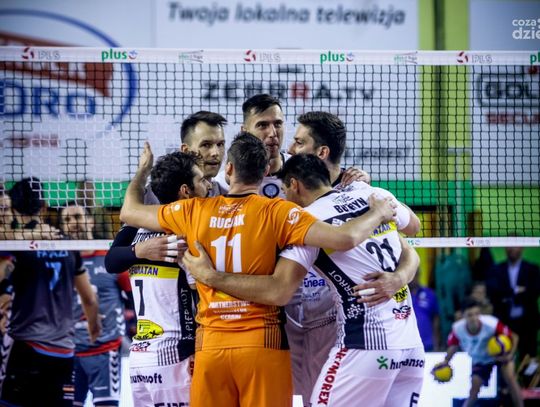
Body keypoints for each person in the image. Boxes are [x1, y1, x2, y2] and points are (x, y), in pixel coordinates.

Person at [119, 134, 397, 407]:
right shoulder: (280, 212)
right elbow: (345, 238)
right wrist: (378, 214)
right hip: (263, 345)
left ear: (229, 169)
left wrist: (142, 172)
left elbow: (129, 212)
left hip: (211, 347)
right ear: (265, 173)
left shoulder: (191, 210)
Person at [182, 153, 422, 406]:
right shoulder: (373, 195)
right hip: (411, 347)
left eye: (285, 189)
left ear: (294, 185)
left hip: (366, 343)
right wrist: (399, 277)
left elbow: (278, 291)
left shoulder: (307, 222)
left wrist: (210, 276)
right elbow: (412, 232)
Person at [284, 111, 421, 404]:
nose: (290, 149)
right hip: (407, 343)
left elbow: (408, 243)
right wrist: (378, 212)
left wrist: (398, 277)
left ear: (321, 153)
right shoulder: (370, 193)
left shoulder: (311, 214)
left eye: (298, 142)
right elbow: (412, 226)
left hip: (363, 339)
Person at [105, 151, 211, 406]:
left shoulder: (138, 226)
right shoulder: (188, 232)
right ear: (185, 191)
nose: (208, 185)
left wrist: (142, 172)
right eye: (202, 180)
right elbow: (202, 301)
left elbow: (111, 260)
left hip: (140, 358)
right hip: (176, 357)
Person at [0, 178, 100, 407]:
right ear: (44, 207)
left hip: (26, 347)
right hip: (63, 351)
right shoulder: (67, 245)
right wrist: (94, 328)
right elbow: (89, 299)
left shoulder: (13, 247)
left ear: (13, 209)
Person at [59, 202, 131, 407]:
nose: (73, 223)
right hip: (69, 352)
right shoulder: (61, 261)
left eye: (77, 217)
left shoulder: (110, 258)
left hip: (106, 351)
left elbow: (134, 299)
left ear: (90, 221)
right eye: (67, 219)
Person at [440, 298, 523, 407]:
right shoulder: (457, 329)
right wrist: (446, 362)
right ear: (463, 315)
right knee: (474, 390)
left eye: (476, 314)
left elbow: (514, 337)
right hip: (480, 360)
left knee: (510, 379)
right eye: (470, 315)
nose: (474, 318)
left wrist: (510, 355)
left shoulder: (491, 323)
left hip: (500, 356)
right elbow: (453, 347)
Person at [486, 245, 540, 361]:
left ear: (522, 248)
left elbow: (534, 291)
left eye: (515, 246)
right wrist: (516, 290)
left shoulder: (532, 269)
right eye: (509, 246)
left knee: (529, 358)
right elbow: (494, 292)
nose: (512, 249)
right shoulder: (496, 269)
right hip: (505, 321)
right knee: (503, 357)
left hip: (527, 322)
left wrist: (507, 294)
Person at [410, 273, 440, 351]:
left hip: (427, 343)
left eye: (415, 274)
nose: (412, 278)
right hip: (406, 344)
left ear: (419, 275)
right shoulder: (399, 296)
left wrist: (436, 342)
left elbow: (436, 319)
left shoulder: (430, 293)